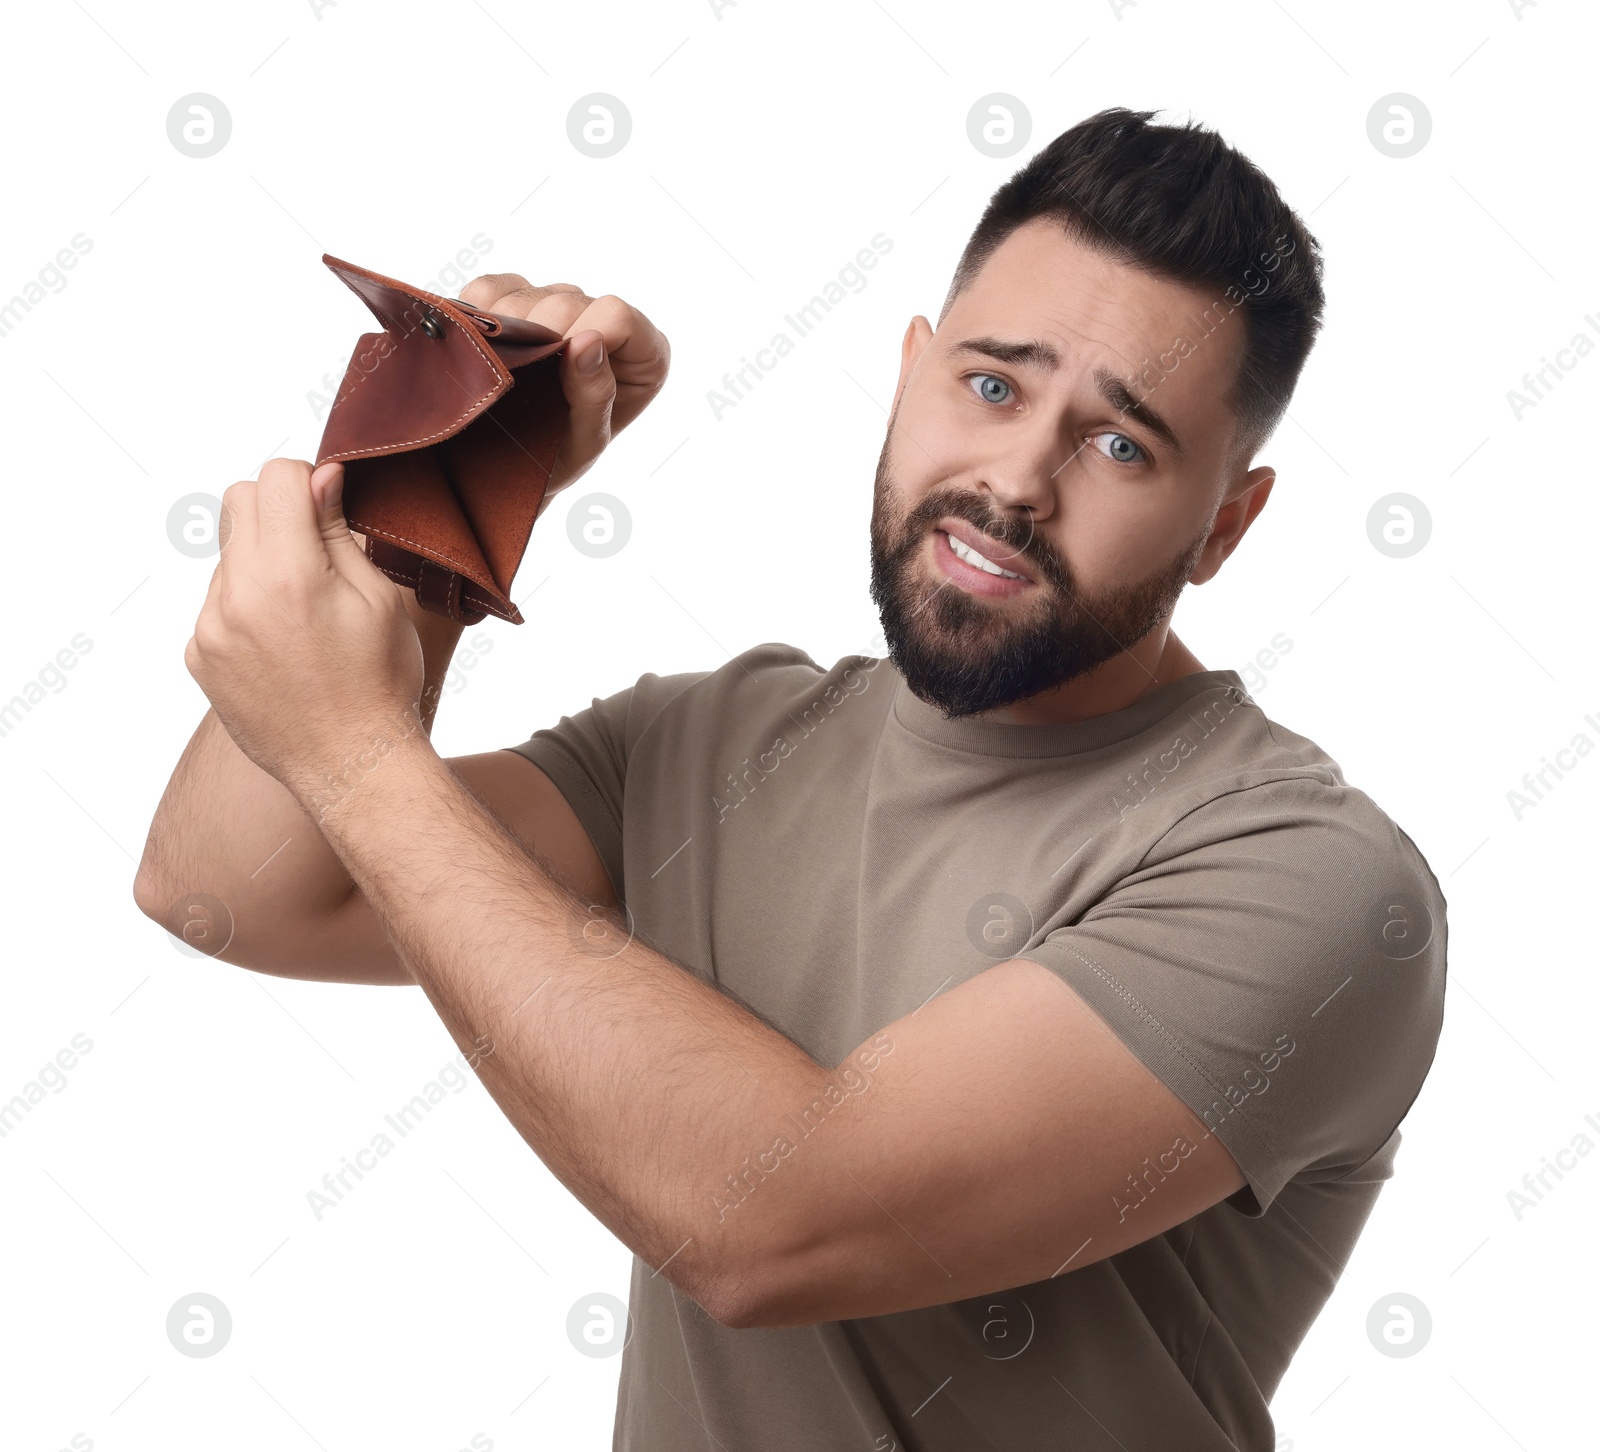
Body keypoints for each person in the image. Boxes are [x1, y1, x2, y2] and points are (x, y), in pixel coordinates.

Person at [135, 107, 1447, 1451]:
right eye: (992, 387)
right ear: (911, 375)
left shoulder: (1311, 882)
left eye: (1121, 444)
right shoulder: (717, 743)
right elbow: (230, 889)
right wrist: (439, 512)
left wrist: (358, 751)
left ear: (1226, 520)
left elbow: (770, 1224)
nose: (1017, 479)